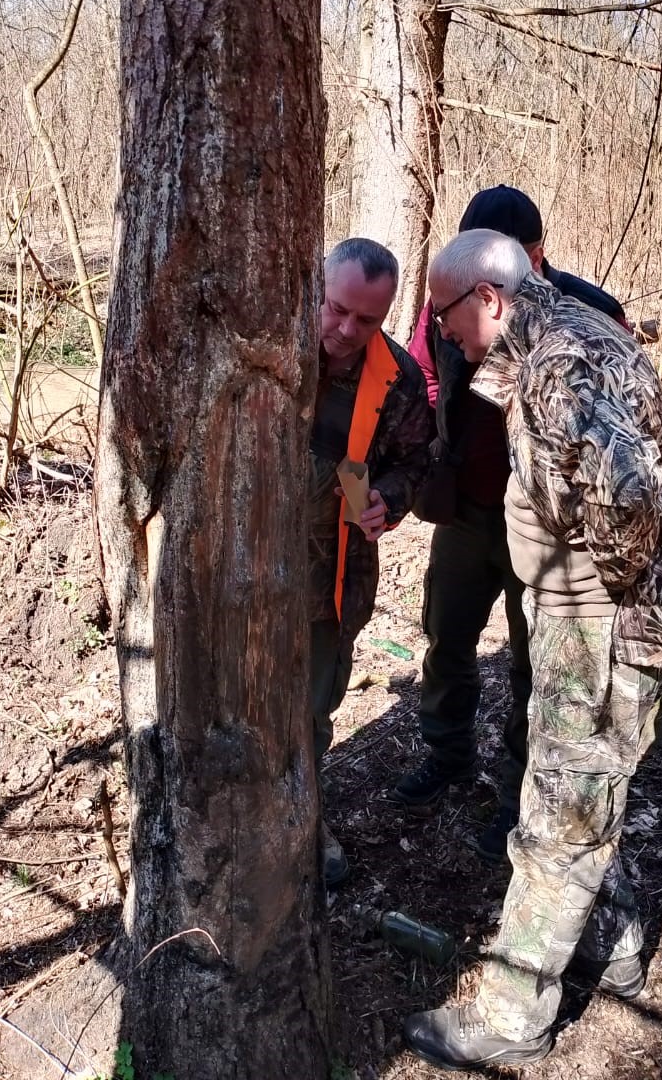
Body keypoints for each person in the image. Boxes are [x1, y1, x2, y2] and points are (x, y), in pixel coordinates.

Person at [403, 230, 662, 1069]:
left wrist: (603, 587)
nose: (443, 332)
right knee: (582, 789)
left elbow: (628, 491)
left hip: (591, 624)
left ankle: (511, 1018)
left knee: (558, 817)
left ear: (488, 298)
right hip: (581, 614)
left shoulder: (559, 362)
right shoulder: (572, 332)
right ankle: (613, 945)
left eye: (446, 315)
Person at [392, 186, 626, 865]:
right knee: (446, 637)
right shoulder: (448, 304)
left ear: (536, 255)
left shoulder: (587, 313)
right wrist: (439, 428)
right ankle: (447, 753)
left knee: (535, 665)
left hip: (552, 531)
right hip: (467, 512)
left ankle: (521, 792)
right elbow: (422, 372)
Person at [310, 238, 432, 886]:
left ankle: (303, 823)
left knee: (311, 710)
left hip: (334, 574)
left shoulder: (397, 378)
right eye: (337, 309)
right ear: (317, 289)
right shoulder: (265, 343)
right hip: (242, 569)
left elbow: (415, 461)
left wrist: (386, 497)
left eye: (367, 320)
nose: (346, 330)